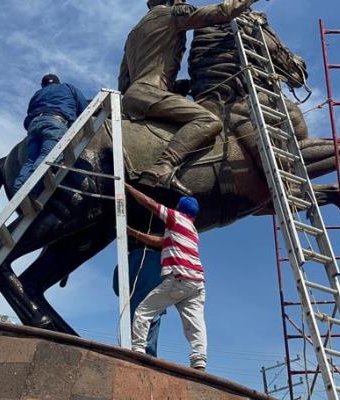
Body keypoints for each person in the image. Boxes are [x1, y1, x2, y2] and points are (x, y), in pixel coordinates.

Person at [119, 0, 256, 196]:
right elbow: (223, 12)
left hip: (134, 96)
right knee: (208, 120)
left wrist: (172, 87)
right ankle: (163, 167)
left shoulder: (133, 34)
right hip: (150, 92)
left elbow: (124, 81)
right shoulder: (170, 15)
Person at [124, 183, 207, 370]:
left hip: (179, 277)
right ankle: (199, 362)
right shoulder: (192, 230)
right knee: (195, 324)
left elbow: (150, 203)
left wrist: (126, 186)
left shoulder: (175, 218)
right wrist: (134, 233)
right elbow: (161, 242)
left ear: (179, 208)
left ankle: (137, 350)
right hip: (197, 283)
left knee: (143, 311)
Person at [13, 74, 89, 192]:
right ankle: (31, 187)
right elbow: (84, 107)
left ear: (43, 85)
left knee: (30, 160)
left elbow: (27, 118)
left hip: (34, 125)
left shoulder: (37, 94)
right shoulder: (68, 88)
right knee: (49, 157)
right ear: (58, 82)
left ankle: (18, 187)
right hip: (55, 122)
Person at [111, 248, 165, 357]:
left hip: (134, 307)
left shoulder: (129, 259)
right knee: (149, 349)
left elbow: (117, 287)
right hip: (156, 308)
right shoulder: (162, 259)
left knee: (130, 347)